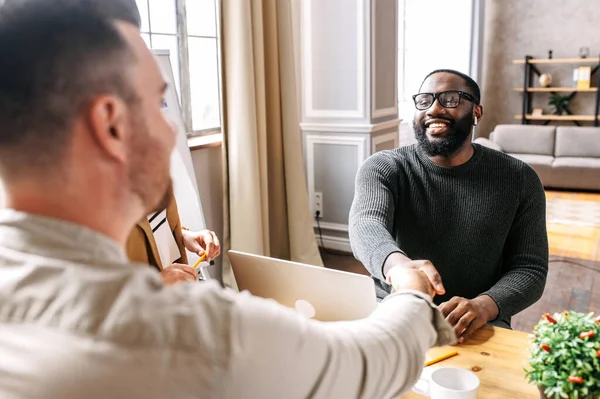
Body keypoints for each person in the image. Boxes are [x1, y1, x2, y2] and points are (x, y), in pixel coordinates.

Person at [0, 1, 455, 398]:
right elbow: (366, 365)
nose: (171, 129)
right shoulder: (183, 331)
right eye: (158, 105)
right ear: (111, 124)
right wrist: (412, 294)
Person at [349, 69, 549, 343]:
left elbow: (530, 269)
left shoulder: (520, 179)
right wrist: (399, 268)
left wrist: (483, 305)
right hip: (394, 307)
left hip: (481, 320)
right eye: (424, 100)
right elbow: (366, 224)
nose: (434, 109)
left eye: (450, 99)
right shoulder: (384, 167)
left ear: (477, 112)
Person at [126, 191, 221, 285]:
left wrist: (182, 234)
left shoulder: (156, 181)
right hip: (149, 298)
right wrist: (155, 284)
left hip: (175, 293)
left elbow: (153, 224)